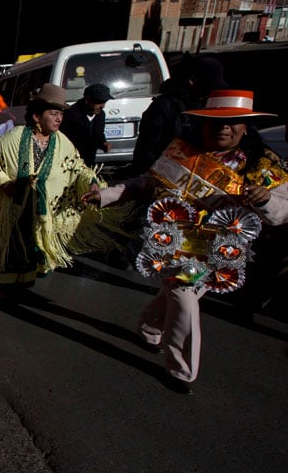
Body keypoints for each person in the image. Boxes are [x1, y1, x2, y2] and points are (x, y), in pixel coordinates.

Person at [94, 89, 288, 394]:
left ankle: (149, 327)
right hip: (175, 245)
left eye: (233, 121)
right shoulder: (182, 153)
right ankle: (181, 370)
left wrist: (264, 200)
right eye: (216, 122)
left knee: (179, 298)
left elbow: (281, 213)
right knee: (184, 303)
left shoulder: (264, 167)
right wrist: (104, 195)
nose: (224, 127)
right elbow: (145, 183)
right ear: (203, 124)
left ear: (246, 126)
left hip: (220, 252)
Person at [0, 83, 102, 300]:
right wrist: (4, 183)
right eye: (53, 113)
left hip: (36, 209)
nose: (59, 118)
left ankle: (19, 281)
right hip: (9, 205)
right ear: (37, 117)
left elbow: (78, 166)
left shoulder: (62, 142)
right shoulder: (16, 136)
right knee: (5, 246)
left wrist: (92, 183)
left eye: (61, 114)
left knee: (28, 246)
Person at [126, 55, 228, 177]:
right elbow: (148, 151)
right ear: (192, 81)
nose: (212, 92)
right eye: (209, 87)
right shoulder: (164, 106)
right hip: (164, 177)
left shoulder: (205, 103)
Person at [60, 83, 113, 167]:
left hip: (89, 163)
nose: (102, 106)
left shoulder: (100, 115)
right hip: (70, 163)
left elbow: (98, 134)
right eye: (99, 102)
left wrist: (103, 143)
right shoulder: (70, 115)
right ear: (88, 100)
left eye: (104, 102)